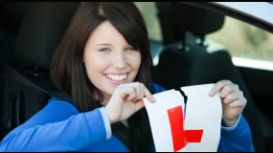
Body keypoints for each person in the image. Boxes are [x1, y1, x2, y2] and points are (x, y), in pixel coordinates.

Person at [0, 2, 254, 152]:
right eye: (104, 50)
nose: (120, 64)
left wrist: (230, 124)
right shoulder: (67, 111)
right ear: (81, 55)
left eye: (130, 48)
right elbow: (10, 147)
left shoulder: (160, 98)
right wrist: (106, 118)